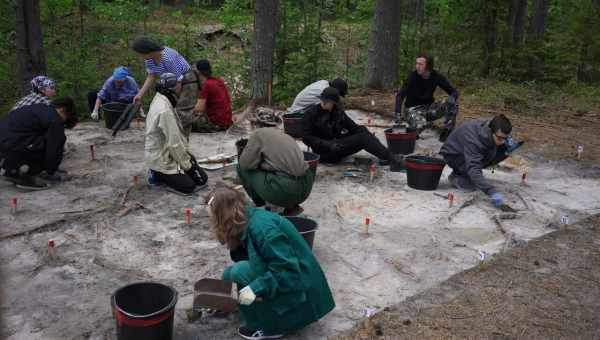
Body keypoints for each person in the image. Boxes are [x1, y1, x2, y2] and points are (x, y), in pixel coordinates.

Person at [207, 186, 335, 340]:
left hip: (303, 294)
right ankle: (245, 307)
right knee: (229, 274)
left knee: (239, 272)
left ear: (224, 215)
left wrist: (255, 288)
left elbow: (287, 271)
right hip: (290, 280)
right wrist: (222, 299)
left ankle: (272, 327)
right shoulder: (245, 219)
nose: (212, 221)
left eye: (214, 217)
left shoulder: (263, 229)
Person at [440, 114, 524, 208]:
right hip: (453, 154)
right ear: (491, 131)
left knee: (504, 149)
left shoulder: (495, 125)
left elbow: (501, 135)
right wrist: (491, 191)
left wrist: (505, 147)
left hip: (469, 149)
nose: (503, 141)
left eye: (506, 138)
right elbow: (474, 167)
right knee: (470, 184)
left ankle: (468, 174)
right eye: (500, 138)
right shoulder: (474, 140)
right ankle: (456, 177)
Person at [144, 73, 208, 195]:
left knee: (202, 179)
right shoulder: (164, 110)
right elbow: (173, 143)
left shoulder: (161, 99)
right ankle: (157, 174)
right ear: (173, 87)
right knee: (189, 186)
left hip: (162, 152)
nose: (181, 87)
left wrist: (188, 159)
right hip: (161, 157)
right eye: (179, 84)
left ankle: (161, 172)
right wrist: (188, 165)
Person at [0, 97, 78, 190]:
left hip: (6, 143)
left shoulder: (39, 108)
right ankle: (26, 178)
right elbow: (54, 150)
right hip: (13, 144)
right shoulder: (54, 118)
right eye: (65, 121)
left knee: (39, 140)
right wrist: (51, 171)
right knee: (53, 142)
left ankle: (12, 172)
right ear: (63, 110)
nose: (63, 123)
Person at [300, 87, 390, 165]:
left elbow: (354, 128)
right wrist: (328, 144)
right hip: (324, 153)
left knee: (363, 131)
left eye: (328, 101)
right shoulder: (311, 113)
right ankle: (390, 158)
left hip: (338, 144)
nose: (324, 102)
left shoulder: (337, 112)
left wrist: (370, 139)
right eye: (323, 100)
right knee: (363, 138)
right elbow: (306, 137)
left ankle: (385, 155)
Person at [237, 128, 315, 216]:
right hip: (306, 185)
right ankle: (290, 207)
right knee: (279, 171)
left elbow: (245, 164)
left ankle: (261, 204)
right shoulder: (280, 136)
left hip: (287, 190)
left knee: (242, 168)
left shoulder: (256, 136)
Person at [132, 37, 199, 137]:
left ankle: (181, 141)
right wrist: (140, 94)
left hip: (186, 80)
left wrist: (175, 100)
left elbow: (179, 81)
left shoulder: (168, 57)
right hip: (169, 81)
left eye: (140, 54)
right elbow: (152, 75)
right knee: (165, 109)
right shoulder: (149, 60)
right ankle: (169, 137)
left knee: (182, 112)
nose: (140, 57)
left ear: (147, 51)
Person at [395, 53, 459, 140]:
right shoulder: (412, 77)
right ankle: (418, 126)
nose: (417, 66)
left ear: (428, 66)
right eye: (416, 63)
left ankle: (447, 132)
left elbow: (453, 91)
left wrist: (452, 98)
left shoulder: (436, 76)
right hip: (412, 110)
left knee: (453, 104)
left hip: (429, 109)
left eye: (420, 64)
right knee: (418, 128)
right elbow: (400, 95)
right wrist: (398, 113)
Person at [192, 59, 233, 132]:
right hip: (227, 121)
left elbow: (199, 108)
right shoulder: (219, 81)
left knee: (184, 121)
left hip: (216, 124)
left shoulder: (206, 84)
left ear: (198, 72)